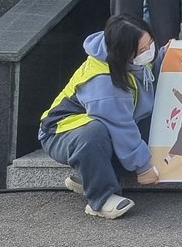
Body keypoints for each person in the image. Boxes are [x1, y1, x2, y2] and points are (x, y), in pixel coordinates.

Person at [38, 15, 161, 219]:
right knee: (94, 133)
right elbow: (121, 128)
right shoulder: (103, 82)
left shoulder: (126, 59)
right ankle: (101, 199)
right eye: (142, 50)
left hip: (105, 126)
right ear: (124, 52)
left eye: (151, 43)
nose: (149, 51)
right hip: (61, 133)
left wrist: (171, 53)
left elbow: (150, 69)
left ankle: (87, 177)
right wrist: (143, 167)